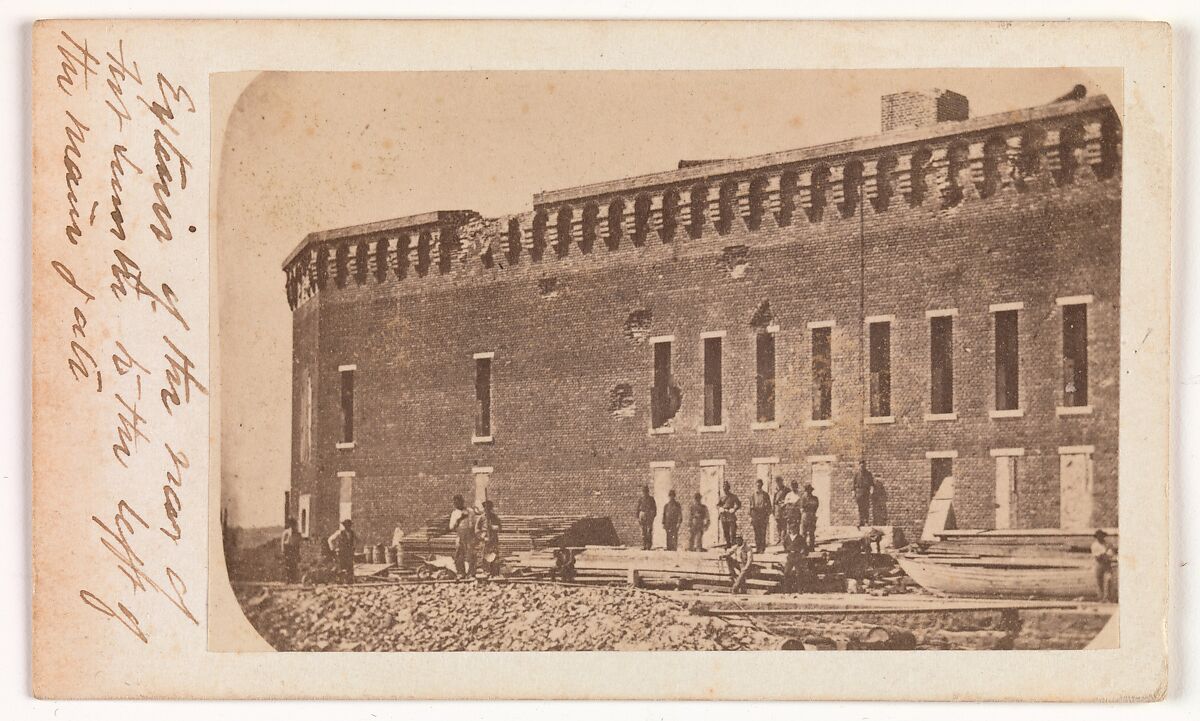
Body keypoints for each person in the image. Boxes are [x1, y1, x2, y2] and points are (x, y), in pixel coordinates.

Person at [449, 495, 477, 579]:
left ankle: (472, 573)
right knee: (459, 554)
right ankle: (461, 573)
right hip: (460, 535)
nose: (457, 504)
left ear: (462, 502)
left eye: (458, 502)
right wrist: (459, 518)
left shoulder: (470, 511)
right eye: (455, 503)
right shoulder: (454, 513)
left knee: (471, 554)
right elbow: (451, 527)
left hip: (469, 535)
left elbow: (474, 524)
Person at [475, 500, 502, 576]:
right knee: (485, 555)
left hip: (493, 539)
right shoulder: (481, 518)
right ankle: (486, 571)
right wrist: (482, 536)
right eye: (485, 508)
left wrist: (493, 527)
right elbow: (476, 529)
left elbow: (500, 527)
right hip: (485, 540)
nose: (487, 509)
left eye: (489, 508)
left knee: (494, 555)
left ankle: (494, 572)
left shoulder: (494, 517)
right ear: (484, 508)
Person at [326, 519, 356, 584]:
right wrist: (333, 549)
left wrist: (354, 547)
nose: (348, 526)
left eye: (349, 525)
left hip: (349, 553)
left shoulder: (352, 533)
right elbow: (330, 539)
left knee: (350, 567)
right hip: (341, 552)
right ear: (344, 525)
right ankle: (340, 582)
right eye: (346, 525)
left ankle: (349, 582)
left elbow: (357, 540)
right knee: (341, 567)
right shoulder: (339, 532)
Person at [781, 519, 807, 593]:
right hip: (790, 556)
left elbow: (804, 546)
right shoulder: (787, 537)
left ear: (796, 529)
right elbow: (785, 545)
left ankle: (800, 590)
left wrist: (802, 552)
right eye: (791, 529)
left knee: (799, 573)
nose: (792, 531)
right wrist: (787, 550)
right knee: (786, 572)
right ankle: (787, 590)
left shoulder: (800, 537)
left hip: (797, 556)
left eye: (793, 529)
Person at [1091, 529, 1117, 602]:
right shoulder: (1094, 545)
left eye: (1101, 536)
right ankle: (1101, 598)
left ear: (1103, 536)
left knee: (1109, 579)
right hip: (1099, 564)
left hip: (1107, 564)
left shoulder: (1107, 544)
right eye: (1099, 536)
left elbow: (1111, 554)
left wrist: (1106, 555)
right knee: (1100, 582)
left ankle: (1108, 598)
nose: (1100, 537)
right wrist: (1104, 555)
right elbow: (1097, 556)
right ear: (1097, 537)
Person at [749, 479, 772, 553]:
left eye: (760, 485)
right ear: (756, 485)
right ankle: (757, 548)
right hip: (755, 515)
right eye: (757, 485)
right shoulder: (752, 495)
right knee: (756, 533)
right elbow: (750, 507)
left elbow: (769, 506)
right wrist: (750, 517)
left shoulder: (765, 495)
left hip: (763, 515)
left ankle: (762, 548)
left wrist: (767, 516)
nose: (758, 486)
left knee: (762, 532)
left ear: (762, 485)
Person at [717, 481, 742, 548]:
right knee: (725, 531)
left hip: (730, 515)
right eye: (724, 488)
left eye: (726, 488)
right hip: (724, 515)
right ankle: (728, 544)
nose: (725, 490)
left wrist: (734, 509)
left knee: (732, 531)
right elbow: (718, 505)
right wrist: (720, 508)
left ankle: (733, 544)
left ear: (728, 488)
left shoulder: (733, 496)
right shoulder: (722, 497)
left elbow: (739, 504)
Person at [852, 460, 876, 527]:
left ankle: (866, 521)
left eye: (863, 465)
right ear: (859, 465)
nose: (862, 467)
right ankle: (861, 521)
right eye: (861, 465)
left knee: (866, 507)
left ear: (865, 466)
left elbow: (872, 484)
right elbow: (853, 484)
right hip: (859, 493)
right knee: (860, 508)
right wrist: (853, 492)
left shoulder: (868, 474)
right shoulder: (856, 474)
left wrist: (871, 490)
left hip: (866, 493)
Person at [635, 485, 658, 550]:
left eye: (646, 492)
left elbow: (654, 508)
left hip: (649, 515)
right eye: (644, 492)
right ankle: (644, 545)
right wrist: (637, 516)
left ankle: (649, 545)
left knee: (649, 531)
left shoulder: (651, 499)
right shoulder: (641, 499)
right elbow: (638, 508)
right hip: (642, 514)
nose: (645, 493)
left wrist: (653, 516)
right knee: (643, 531)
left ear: (648, 492)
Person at [280, 516, 301, 584]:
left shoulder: (297, 533)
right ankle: (288, 580)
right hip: (288, 549)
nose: (293, 525)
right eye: (291, 524)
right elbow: (283, 542)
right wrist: (283, 550)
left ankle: (293, 580)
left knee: (294, 565)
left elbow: (298, 543)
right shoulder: (286, 532)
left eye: (294, 524)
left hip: (294, 549)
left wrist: (298, 552)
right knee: (288, 565)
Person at [800, 483, 820, 552]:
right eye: (807, 490)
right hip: (805, 516)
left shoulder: (815, 498)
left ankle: (811, 547)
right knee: (804, 533)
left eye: (809, 490)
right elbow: (802, 506)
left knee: (811, 532)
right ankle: (804, 547)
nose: (808, 492)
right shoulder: (803, 498)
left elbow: (816, 506)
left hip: (811, 515)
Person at [772, 476, 790, 544]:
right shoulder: (776, 490)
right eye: (777, 482)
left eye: (779, 481)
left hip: (784, 510)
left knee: (784, 525)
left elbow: (789, 499)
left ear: (782, 482)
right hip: (777, 510)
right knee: (778, 525)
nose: (778, 483)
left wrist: (784, 503)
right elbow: (774, 501)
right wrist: (773, 510)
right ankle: (780, 538)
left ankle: (783, 539)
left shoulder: (786, 490)